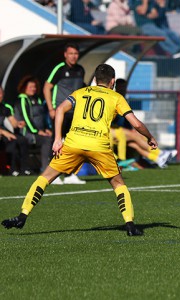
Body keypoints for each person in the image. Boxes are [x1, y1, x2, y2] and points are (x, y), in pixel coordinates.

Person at [1, 64, 159, 236]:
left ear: (95, 80)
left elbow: (60, 109)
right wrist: (149, 137)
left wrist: (57, 139)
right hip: (99, 146)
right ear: (112, 81)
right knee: (119, 184)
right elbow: (135, 123)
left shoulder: (80, 93)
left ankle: (22, 215)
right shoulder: (116, 97)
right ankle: (130, 225)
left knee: (44, 178)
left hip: (73, 142)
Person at [43, 42, 86, 184]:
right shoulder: (59, 69)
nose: (73, 56)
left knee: (72, 143)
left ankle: (69, 175)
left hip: (76, 112)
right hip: (60, 111)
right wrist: (51, 108)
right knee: (56, 141)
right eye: (71, 53)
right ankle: (52, 175)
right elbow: (46, 88)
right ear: (65, 55)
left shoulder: (80, 70)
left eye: (76, 54)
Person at [111, 79, 177, 169]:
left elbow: (127, 120)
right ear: (115, 87)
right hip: (114, 131)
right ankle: (160, 153)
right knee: (135, 136)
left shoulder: (123, 99)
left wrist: (131, 128)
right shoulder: (114, 99)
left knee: (134, 143)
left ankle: (158, 158)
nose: (123, 89)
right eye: (120, 86)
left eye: (124, 87)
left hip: (120, 131)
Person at [14, 76, 53, 172]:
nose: (33, 89)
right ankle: (45, 169)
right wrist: (37, 131)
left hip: (39, 131)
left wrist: (46, 129)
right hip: (28, 133)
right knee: (47, 140)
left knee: (54, 138)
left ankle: (55, 168)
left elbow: (42, 117)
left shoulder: (37, 99)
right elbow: (26, 118)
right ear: (24, 87)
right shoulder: (22, 100)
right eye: (31, 87)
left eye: (34, 87)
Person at [0, 87, 31, 176]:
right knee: (11, 141)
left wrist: (18, 124)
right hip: (3, 134)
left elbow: (12, 122)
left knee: (23, 140)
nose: (0, 95)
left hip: (7, 133)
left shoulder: (6, 107)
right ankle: (12, 169)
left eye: (1, 93)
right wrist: (4, 133)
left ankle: (24, 168)